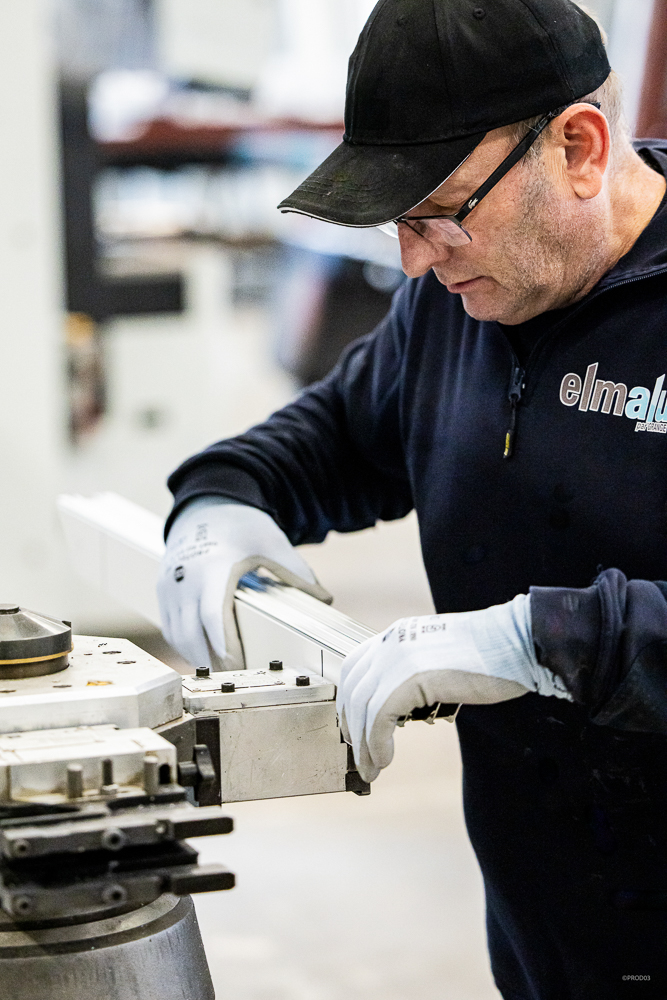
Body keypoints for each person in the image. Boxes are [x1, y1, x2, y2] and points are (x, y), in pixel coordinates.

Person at [157, 1, 667, 995]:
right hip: (550, 940)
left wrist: (546, 640)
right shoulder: (455, 306)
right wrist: (219, 500)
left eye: (440, 212)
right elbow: (334, 435)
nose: (414, 259)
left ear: (577, 147)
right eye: (398, 221)